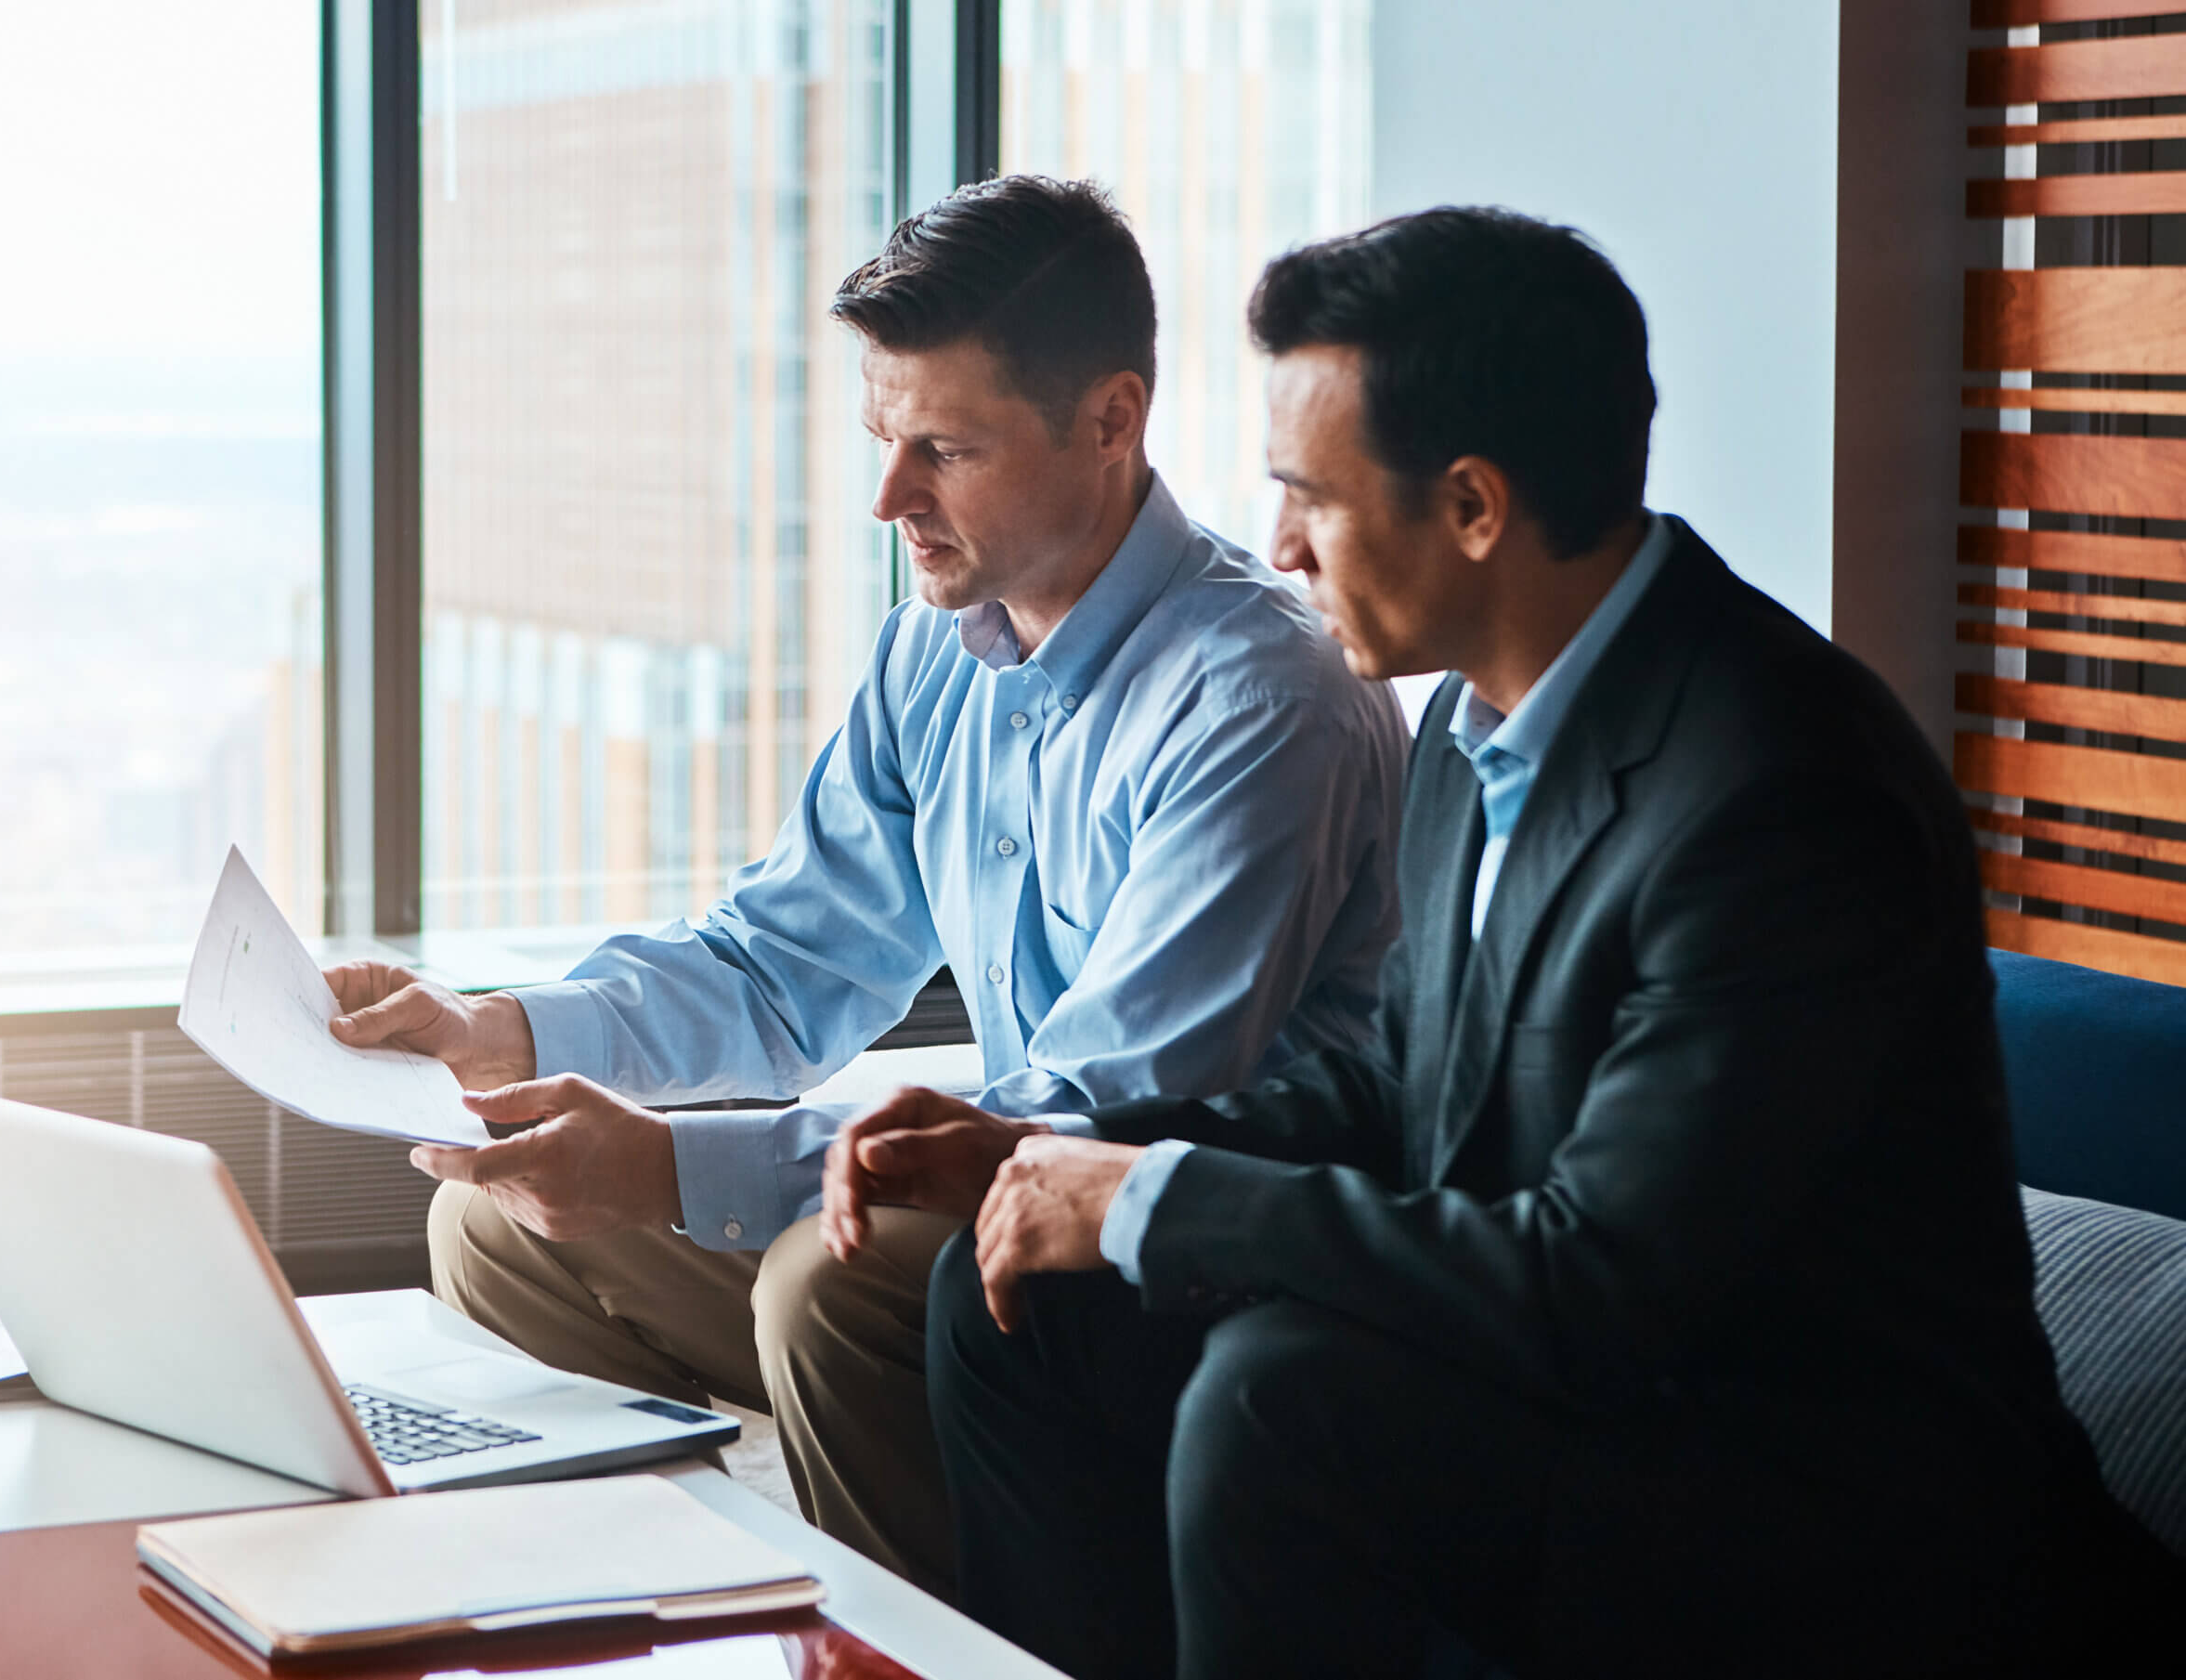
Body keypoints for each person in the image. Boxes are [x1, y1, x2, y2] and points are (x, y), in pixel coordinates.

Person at [827, 206, 2183, 1677]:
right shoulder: (1473, 732)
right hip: (1592, 1399)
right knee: (1021, 1299)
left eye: (1311, 497)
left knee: (1283, 1399)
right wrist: (1044, 1153)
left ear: (1473, 506)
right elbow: (1402, 1094)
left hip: (1819, 1492)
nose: (1276, 544)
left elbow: (1606, 1278)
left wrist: (1152, 1196)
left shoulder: (1780, 789)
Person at [322, 175, 1410, 1601]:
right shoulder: (933, 650)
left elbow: (1104, 1112)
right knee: (500, 1224)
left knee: (832, 1285)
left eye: (944, 449)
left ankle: (935, 1642)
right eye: (882, 439)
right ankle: (673, 1618)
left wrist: (664, 1166)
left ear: (1112, 420)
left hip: (1181, 1250)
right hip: (1006, 1195)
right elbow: (777, 965)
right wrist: (501, 1037)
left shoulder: (1256, 695)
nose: (889, 497)